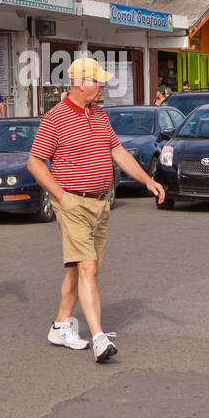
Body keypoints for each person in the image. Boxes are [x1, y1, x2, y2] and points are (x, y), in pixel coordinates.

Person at [27, 57, 166, 363]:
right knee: (87, 267)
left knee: (83, 268)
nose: (102, 86)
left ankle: (61, 324)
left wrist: (147, 180)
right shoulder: (55, 118)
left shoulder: (100, 114)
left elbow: (117, 151)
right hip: (72, 202)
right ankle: (99, 338)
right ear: (80, 83)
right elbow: (35, 162)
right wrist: (61, 196)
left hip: (101, 202)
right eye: (97, 81)